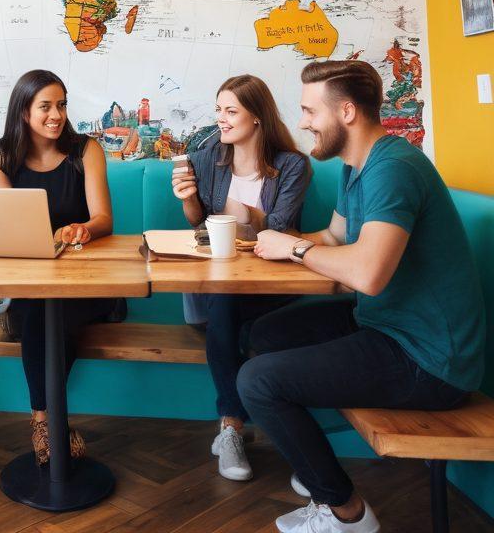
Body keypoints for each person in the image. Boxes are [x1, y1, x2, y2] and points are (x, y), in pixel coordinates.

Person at [238, 60, 486, 533]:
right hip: (387, 322)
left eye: (311, 111)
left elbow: (369, 274)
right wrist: (270, 246)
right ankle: (315, 468)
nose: (304, 121)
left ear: (346, 112)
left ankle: (347, 514)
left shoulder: (393, 169)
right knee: (266, 333)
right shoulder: (359, 164)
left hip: (431, 358)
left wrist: (294, 246)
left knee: (257, 382)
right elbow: (334, 236)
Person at [172, 74, 310, 482]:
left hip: (270, 289)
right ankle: (234, 428)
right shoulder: (206, 158)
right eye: (219, 110)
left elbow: (280, 229)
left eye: (231, 111)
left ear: (258, 118)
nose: (221, 120)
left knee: (229, 313)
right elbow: (199, 225)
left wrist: (237, 210)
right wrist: (189, 200)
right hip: (217, 291)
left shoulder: (291, 166)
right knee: (224, 303)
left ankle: (232, 429)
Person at [0, 69, 114, 465]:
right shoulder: (3, 155)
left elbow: (104, 219)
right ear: (24, 111)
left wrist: (84, 228)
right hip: (33, 277)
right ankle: (49, 420)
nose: (56, 114)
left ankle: (43, 420)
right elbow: (8, 223)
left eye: (61, 105)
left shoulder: (86, 150)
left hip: (87, 280)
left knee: (48, 313)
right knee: (38, 309)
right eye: (45, 106)